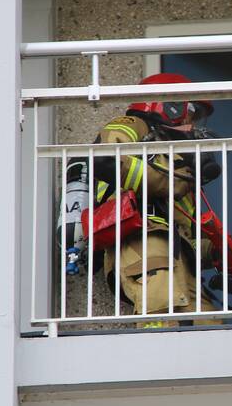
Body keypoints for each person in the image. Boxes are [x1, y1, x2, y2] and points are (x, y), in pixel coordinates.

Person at [60, 72, 219, 326]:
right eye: (192, 110)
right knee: (158, 304)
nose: (192, 120)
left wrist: (218, 250)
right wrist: (173, 180)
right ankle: (154, 356)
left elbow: (188, 230)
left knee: (206, 320)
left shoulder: (176, 156)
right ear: (171, 105)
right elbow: (106, 159)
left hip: (177, 254)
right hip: (140, 236)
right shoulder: (133, 125)